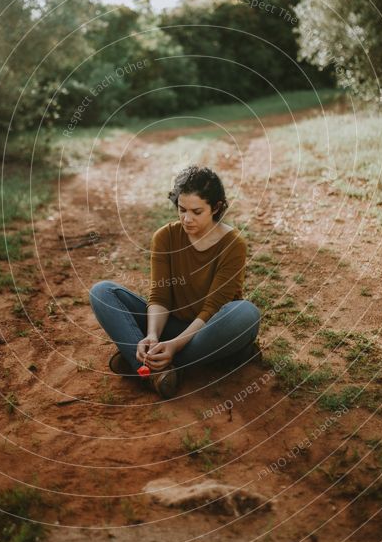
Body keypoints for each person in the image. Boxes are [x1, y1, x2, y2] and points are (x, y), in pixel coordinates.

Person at [89, 165, 261, 398]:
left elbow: (212, 308)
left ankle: (146, 365)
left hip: (212, 330)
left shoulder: (233, 244)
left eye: (196, 212)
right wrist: (151, 336)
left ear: (216, 207)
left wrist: (174, 346)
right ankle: (157, 368)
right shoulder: (165, 237)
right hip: (171, 326)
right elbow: (160, 297)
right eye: (181, 209)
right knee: (103, 292)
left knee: (245, 312)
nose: (186, 219)